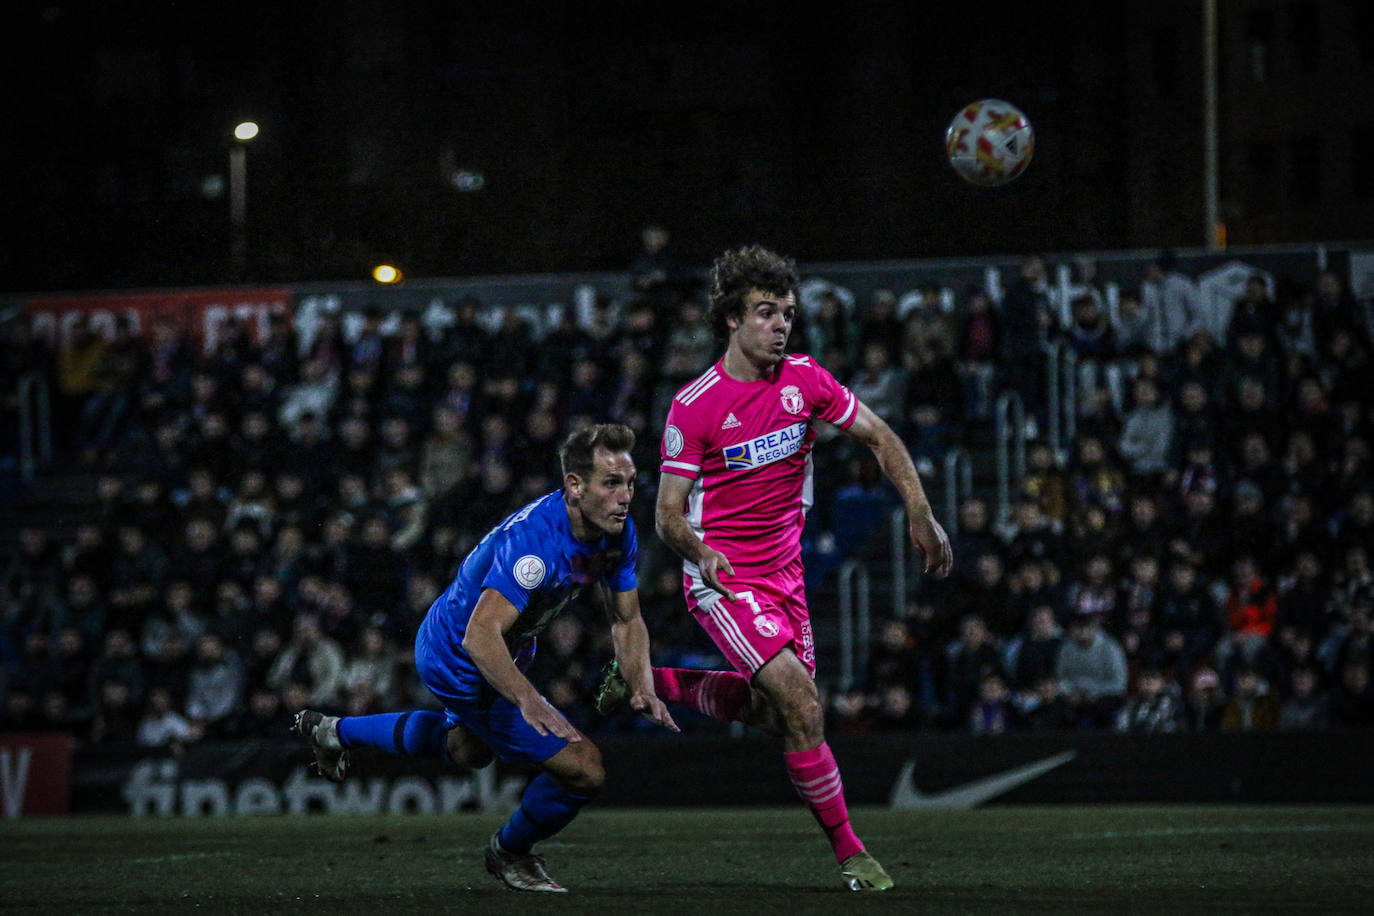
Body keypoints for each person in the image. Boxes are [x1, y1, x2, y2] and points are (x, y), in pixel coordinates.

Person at [596, 245, 952, 892]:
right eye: (766, 312)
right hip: (723, 578)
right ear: (732, 318)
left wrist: (921, 515)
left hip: (786, 577)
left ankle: (647, 678)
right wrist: (701, 552)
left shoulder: (807, 380)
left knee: (777, 715)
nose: (781, 324)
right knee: (801, 702)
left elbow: (881, 437)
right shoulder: (694, 405)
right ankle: (852, 856)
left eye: (787, 312)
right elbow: (666, 516)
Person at [293, 423, 677, 893]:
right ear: (574, 487)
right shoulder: (535, 546)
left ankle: (333, 732)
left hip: (489, 642)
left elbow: (626, 619)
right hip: (463, 654)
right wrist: (528, 699)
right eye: (611, 484)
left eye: (630, 482)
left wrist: (641, 683)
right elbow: (481, 636)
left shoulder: (618, 534)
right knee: (584, 769)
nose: (625, 497)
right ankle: (510, 853)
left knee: (468, 750)